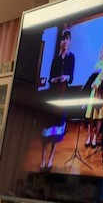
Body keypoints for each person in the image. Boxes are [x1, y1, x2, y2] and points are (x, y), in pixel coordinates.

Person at [41, 29, 75, 170]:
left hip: (63, 97)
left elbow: (71, 78)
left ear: (69, 42)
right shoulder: (56, 59)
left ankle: (51, 159)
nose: (65, 42)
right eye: (63, 39)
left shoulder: (71, 57)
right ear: (60, 42)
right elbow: (50, 78)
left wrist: (66, 77)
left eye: (67, 39)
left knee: (57, 131)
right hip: (53, 95)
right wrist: (54, 79)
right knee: (47, 129)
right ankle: (43, 158)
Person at [85, 41, 103, 147]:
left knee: (99, 116)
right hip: (94, 89)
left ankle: (95, 137)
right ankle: (89, 136)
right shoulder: (98, 61)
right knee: (91, 115)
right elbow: (93, 74)